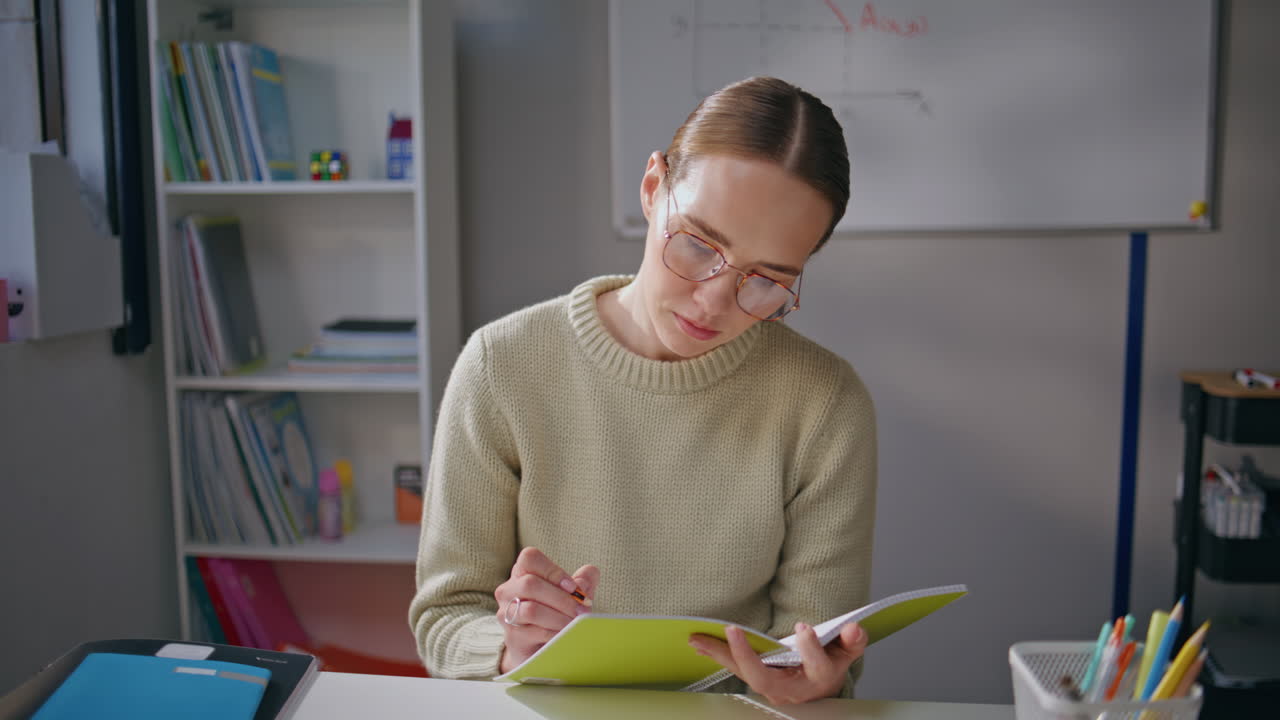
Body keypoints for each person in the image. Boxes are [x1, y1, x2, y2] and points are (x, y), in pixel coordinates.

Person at [409, 76, 876, 704]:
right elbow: (443, 619)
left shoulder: (824, 403)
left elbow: (814, 648)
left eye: (767, 280)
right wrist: (506, 645)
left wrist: (817, 681)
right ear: (654, 188)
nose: (714, 301)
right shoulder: (503, 365)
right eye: (697, 243)